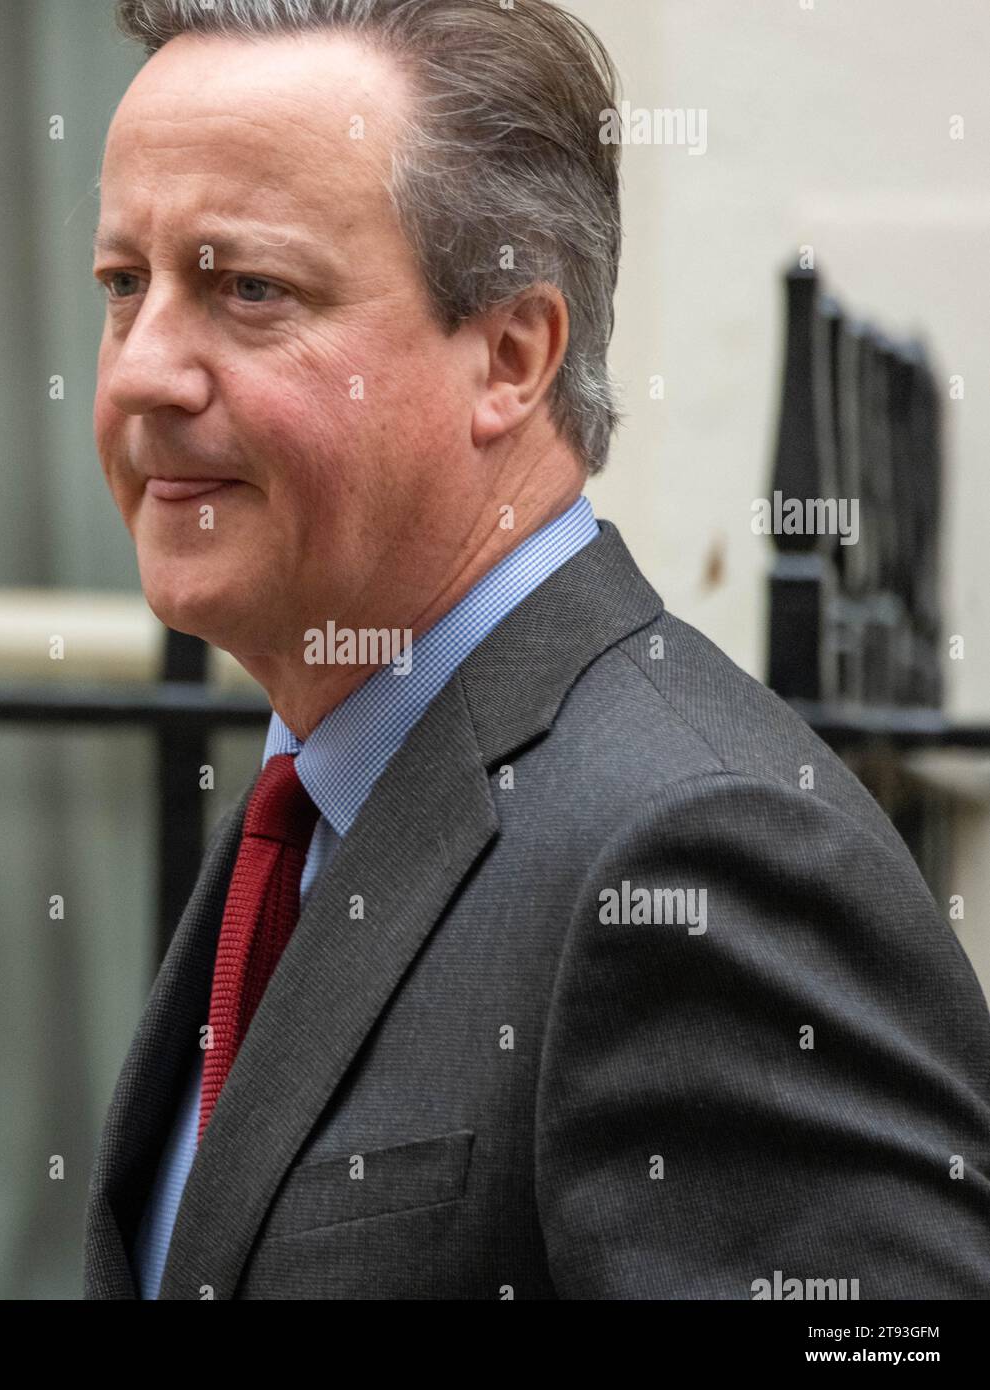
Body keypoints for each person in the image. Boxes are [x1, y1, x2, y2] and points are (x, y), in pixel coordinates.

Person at [84, 0, 990, 1299]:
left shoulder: (695, 854)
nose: (141, 373)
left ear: (509, 354)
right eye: (125, 284)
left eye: (248, 290)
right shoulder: (317, 797)